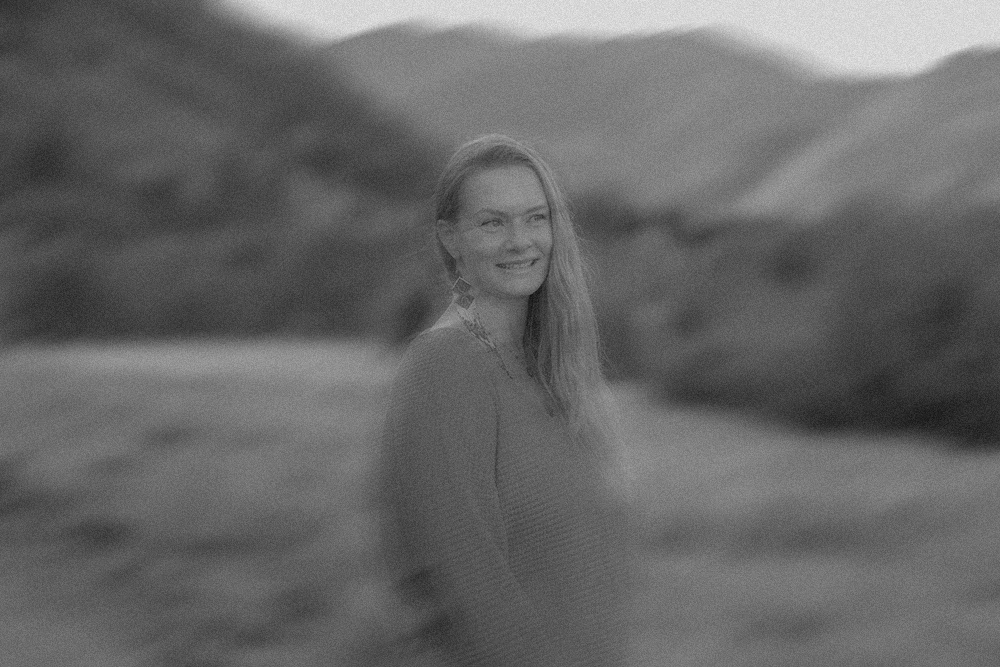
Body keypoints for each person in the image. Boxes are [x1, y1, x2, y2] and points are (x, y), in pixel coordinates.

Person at [376, 134, 633, 666]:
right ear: (450, 238)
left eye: (536, 218)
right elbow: (469, 592)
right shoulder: (445, 368)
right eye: (493, 223)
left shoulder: (550, 370)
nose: (520, 241)